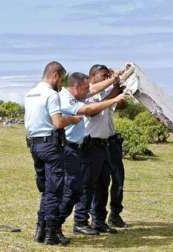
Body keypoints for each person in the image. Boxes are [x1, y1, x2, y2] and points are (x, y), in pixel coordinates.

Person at [57, 72, 125, 236]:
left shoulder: (81, 93)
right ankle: (77, 222)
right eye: (104, 75)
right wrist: (114, 98)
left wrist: (117, 80)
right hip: (82, 146)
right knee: (83, 186)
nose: (88, 90)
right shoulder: (68, 98)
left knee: (103, 184)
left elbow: (94, 90)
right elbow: (90, 110)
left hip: (102, 144)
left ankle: (98, 221)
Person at [24, 61, 81, 246]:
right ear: (55, 75)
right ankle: (51, 234)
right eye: (61, 80)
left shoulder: (30, 93)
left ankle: (40, 231)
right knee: (54, 191)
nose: (61, 85)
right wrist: (72, 120)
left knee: (46, 190)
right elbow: (57, 123)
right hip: (50, 146)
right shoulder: (51, 95)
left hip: (34, 145)